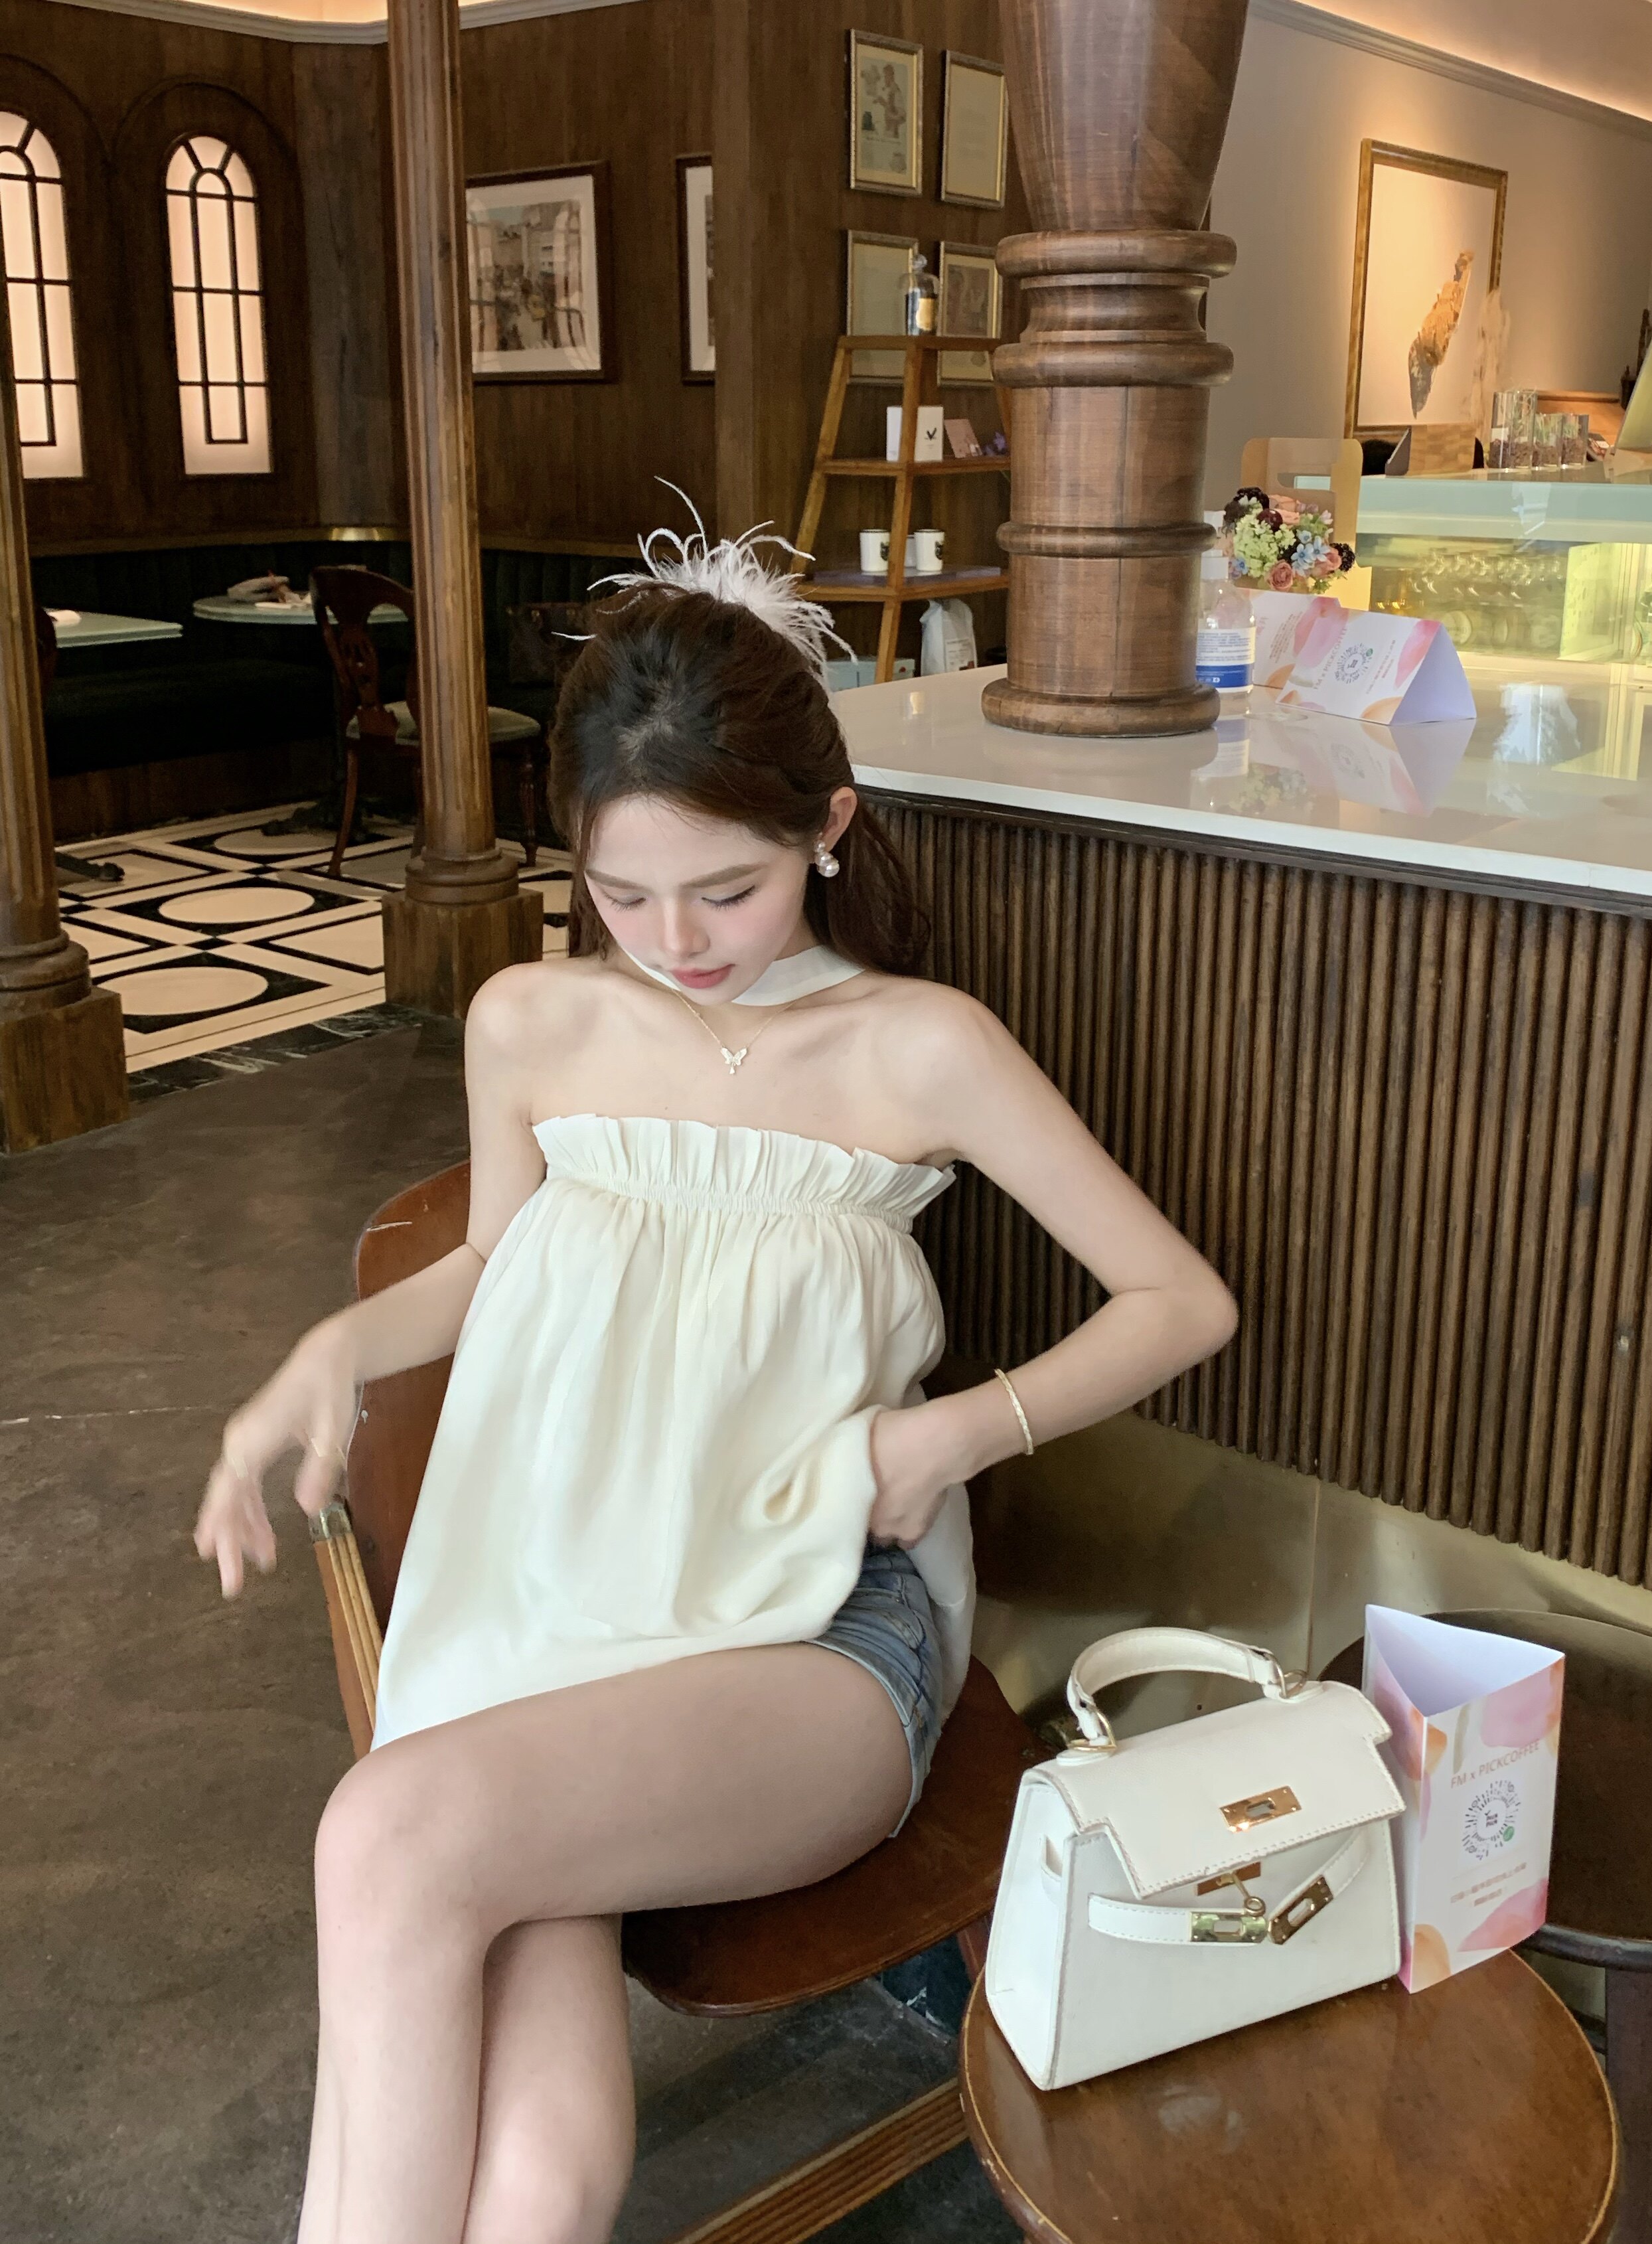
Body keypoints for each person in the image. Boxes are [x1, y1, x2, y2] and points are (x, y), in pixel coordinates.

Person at [192, 522, 1238, 2244]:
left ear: (828, 825)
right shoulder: (532, 1021)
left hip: (807, 1633)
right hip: (549, 1604)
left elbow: (1178, 1297)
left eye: (727, 890)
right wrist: (327, 1351)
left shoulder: (917, 1045)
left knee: (387, 1837)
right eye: (622, 894)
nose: (674, 940)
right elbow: (486, 1260)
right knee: (537, 2178)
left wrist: (951, 1435)